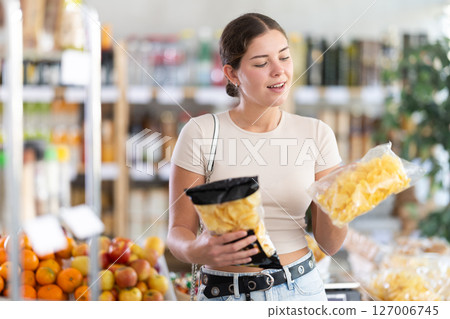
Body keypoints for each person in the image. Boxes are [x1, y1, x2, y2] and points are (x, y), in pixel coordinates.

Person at [167, 13, 348, 301]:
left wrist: (344, 200)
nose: (279, 71)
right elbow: (178, 231)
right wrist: (196, 250)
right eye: (262, 63)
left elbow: (330, 245)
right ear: (232, 74)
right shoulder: (201, 132)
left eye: (285, 57)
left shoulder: (317, 133)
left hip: (300, 290)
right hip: (224, 294)